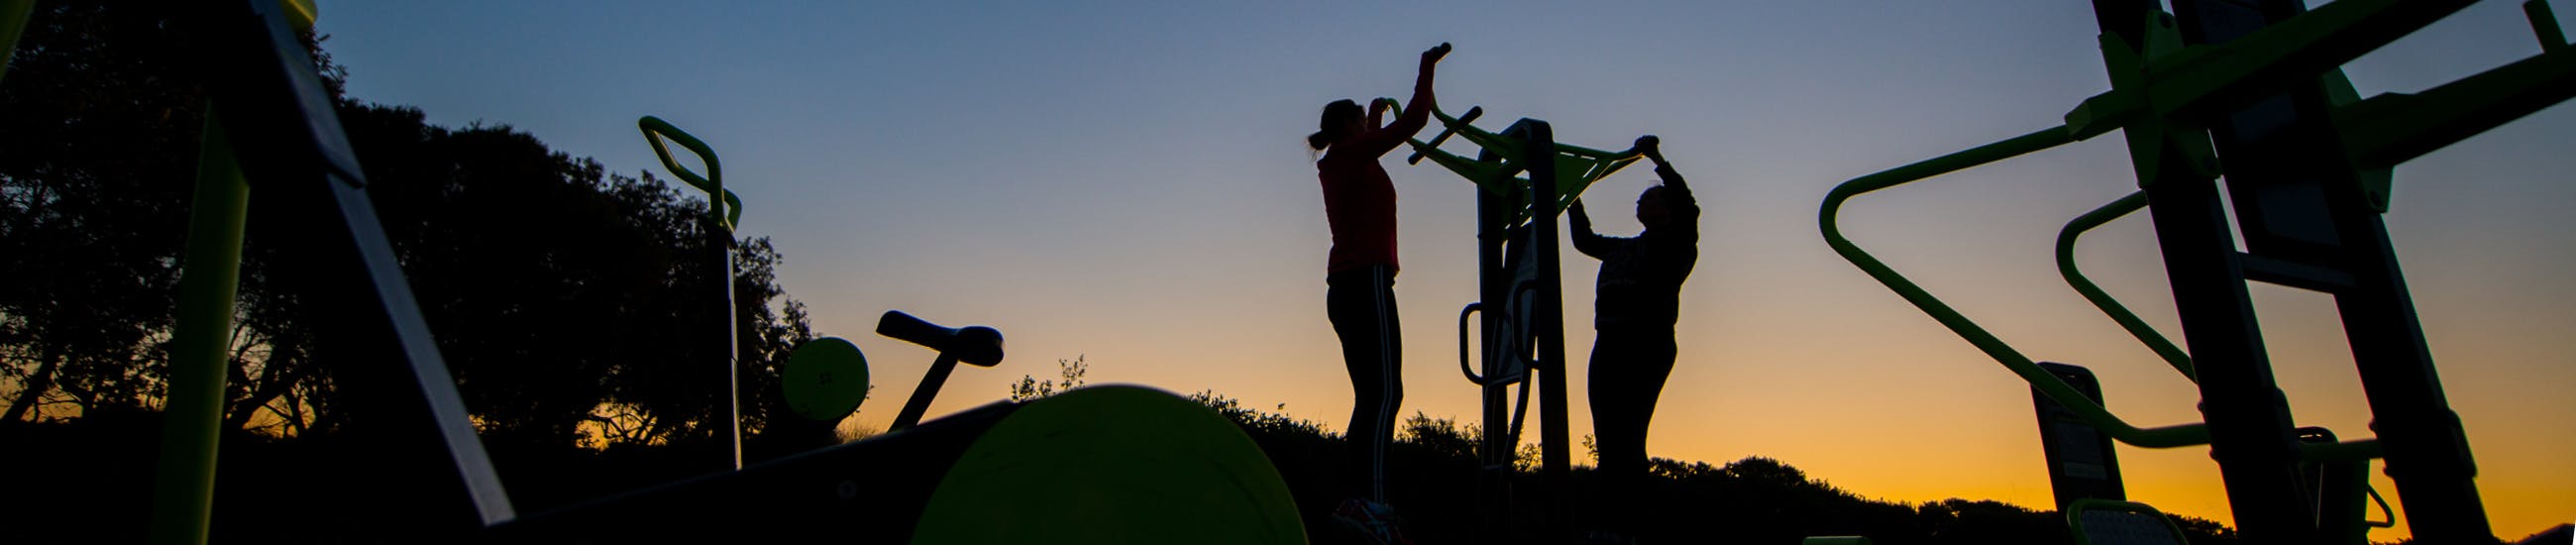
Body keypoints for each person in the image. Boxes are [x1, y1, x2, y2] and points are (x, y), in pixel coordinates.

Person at [1306, 41, 1449, 544]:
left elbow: (1379, 135)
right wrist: (1426, 69)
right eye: (1362, 122)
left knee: (1372, 395)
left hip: (1349, 284)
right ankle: (1374, 504)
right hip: (1364, 281)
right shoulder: (1349, 153)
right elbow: (1413, 124)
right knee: (1386, 392)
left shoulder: (1347, 158)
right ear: (1349, 127)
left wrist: (1372, 114)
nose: (1369, 131)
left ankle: (1358, 501)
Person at [1568, 136, 1699, 542]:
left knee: (1628, 436)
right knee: (1607, 437)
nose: (1638, 204)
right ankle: (1611, 524)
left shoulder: (1676, 245)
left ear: (1665, 208)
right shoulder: (1622, 249)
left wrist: (1656, 158)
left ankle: (1633, 526)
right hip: (1607, 343)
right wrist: (1571, 198)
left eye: (1647, 198)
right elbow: (1584, 241)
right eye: (1639, 200)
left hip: (1646, 343)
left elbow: (1689, 204)